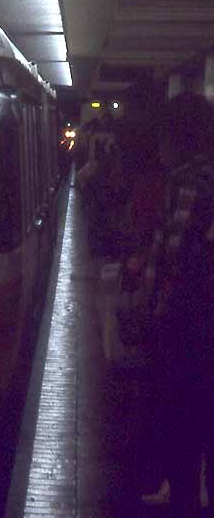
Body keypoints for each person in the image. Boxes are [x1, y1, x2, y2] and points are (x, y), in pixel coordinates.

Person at [136, 92, 214, 516]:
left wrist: (152, 311)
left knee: (179, 418)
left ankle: (183, 494)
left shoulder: (184, 182)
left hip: (185, 325)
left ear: (177, 137)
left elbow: (172, 257)